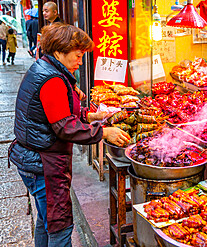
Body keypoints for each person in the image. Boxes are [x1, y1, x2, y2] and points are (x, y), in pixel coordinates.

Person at [8, 23, 130, 247]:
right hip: (43, 163)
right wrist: (104, 132)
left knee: (46, 220)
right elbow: (64, 126)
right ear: (59, 52)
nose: (81, 61)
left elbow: (60, 113)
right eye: (78, 55)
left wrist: (91, 116)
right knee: (60, 227)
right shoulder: (52, 80)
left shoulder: (47, 68)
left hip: (33, 157)